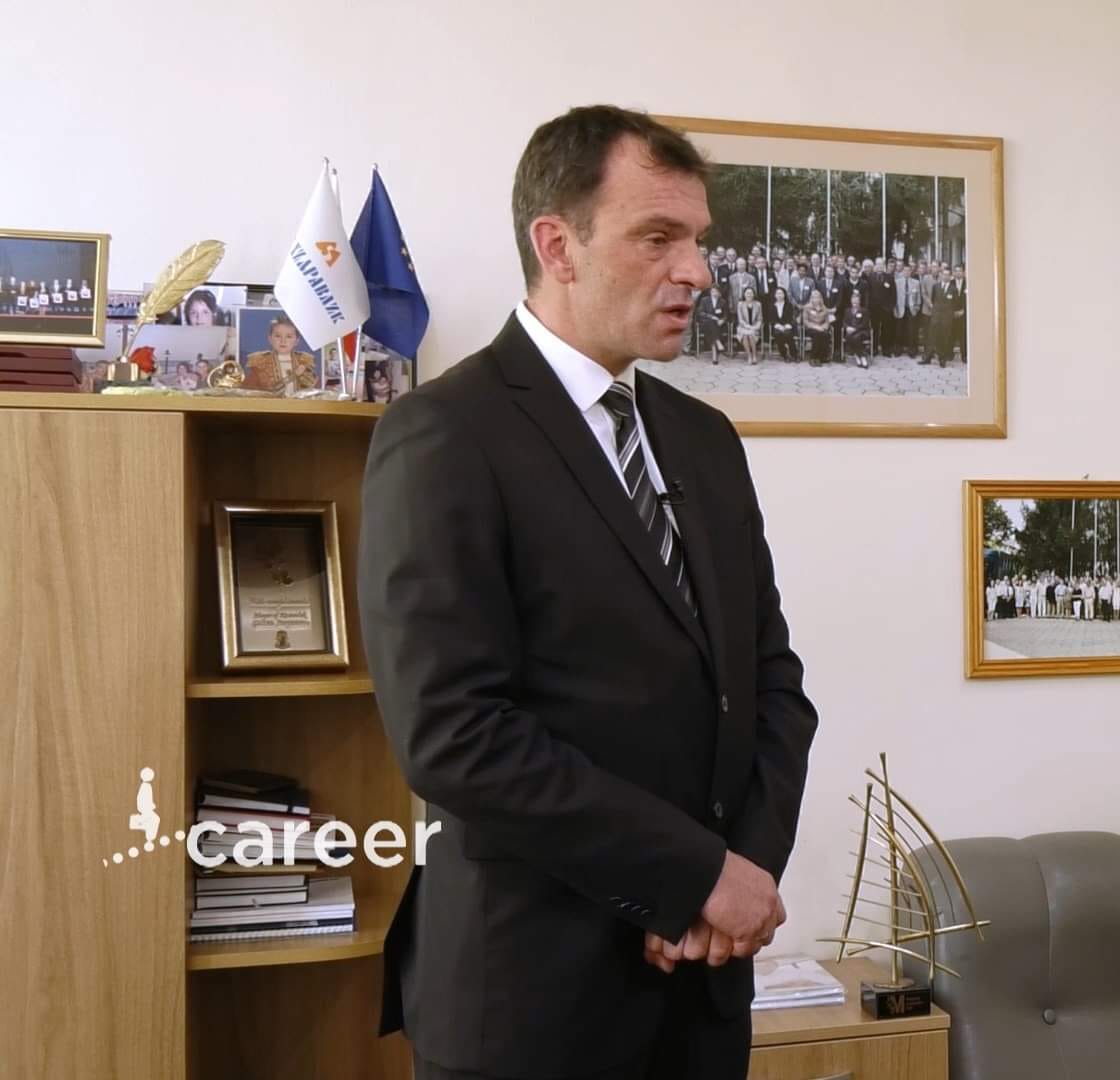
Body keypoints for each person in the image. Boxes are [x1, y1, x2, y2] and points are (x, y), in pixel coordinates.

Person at [359, 105, 820, 1080]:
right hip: (531, 1006)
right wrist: (690, 878)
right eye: (659, 237)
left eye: (698, 240)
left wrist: (740, 879)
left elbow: (772, 687)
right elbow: (454, 732)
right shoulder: (444, 434)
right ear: (557, 245)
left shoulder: (704, 440)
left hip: (701, 994)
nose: (698, 271)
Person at [241, 317, 316, 394]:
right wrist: (294, 375)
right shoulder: (258, 361)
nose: (283, 341)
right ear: (270, 339)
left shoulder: (305, 361)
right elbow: (249, 392)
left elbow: (314, 391)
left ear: (296, 341)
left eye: (289, 337)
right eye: (278, 336)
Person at [734, 286, 763, 365]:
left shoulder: (758, 304)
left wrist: (756, 327)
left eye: (751, 293)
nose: (749, 295)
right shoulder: (740, 304)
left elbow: (760, 319)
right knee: (746, 334)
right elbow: (740, 319)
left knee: (750, 335)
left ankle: (754, 355)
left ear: (753, 294)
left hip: (754, 327)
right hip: (743, 327)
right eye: (747, 293)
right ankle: (749, 356)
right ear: (744, 294)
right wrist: (748, 327)